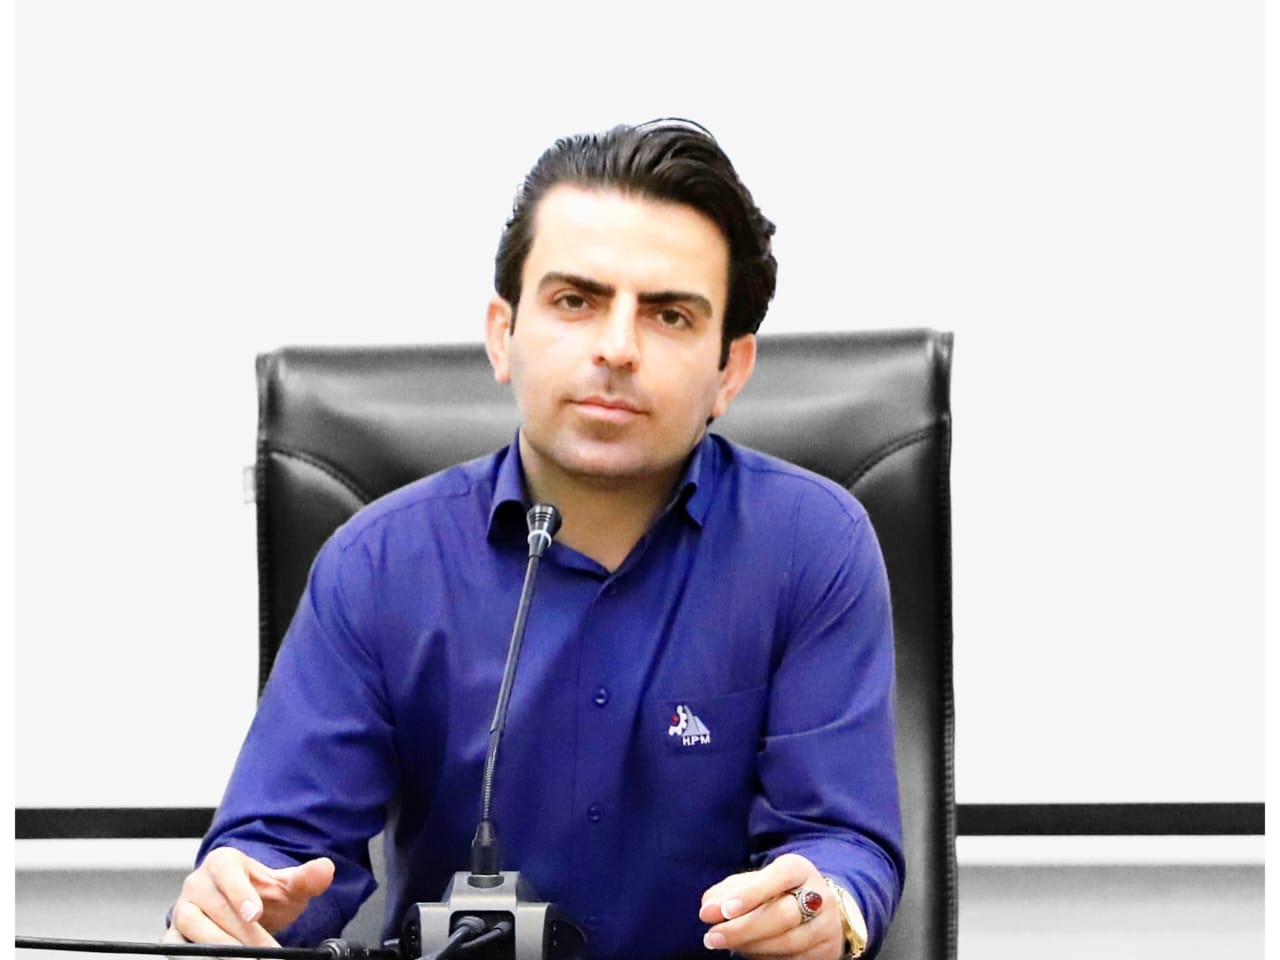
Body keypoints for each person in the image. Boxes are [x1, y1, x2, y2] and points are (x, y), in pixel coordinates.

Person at [164, 119, 904, 960]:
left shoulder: (811, 546)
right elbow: (282, 851)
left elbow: (841, 845)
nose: (617, 349)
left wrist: (823, 906)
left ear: (729, 371)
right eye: (575, 302)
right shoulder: (377, 565)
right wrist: (243, 901)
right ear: (502, 333)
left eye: (668, 314)